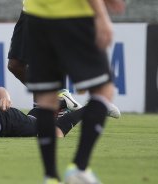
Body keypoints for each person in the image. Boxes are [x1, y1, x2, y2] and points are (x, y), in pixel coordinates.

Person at [22, 0, 125, 183]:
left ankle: (50, 176)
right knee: (103, 90)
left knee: (46, 100)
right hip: (73, 14)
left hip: (35, 16)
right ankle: (79, 167)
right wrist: (102, 16)